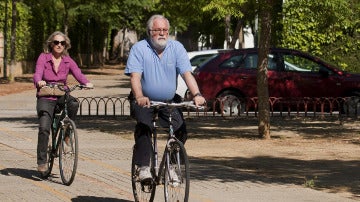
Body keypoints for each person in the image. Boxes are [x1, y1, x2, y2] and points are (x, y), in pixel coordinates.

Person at [125, 14, 206, 182]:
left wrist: (197, 94)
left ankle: (172, 167)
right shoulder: (139, 48)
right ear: (149, 32)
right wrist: (139, 96)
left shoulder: (177, 48)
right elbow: (135, 77)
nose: (162, 33)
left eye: (165, 30)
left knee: (180, 130)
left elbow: (187, 74)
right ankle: (143, 168)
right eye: (157, 30)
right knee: (144, 126)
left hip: (168, 101)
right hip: (144, 100)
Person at [33, 31, 93, 174]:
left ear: (66, 45)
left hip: (61, 94)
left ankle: (66, 132)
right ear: (51, 44)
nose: (59, 45)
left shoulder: (68, 60)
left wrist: (87, 83)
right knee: (44, 128)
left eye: (62, 43)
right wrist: (39, 81)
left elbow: (78, 73)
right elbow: (37, 73)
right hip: (46, 96)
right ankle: (42, 162)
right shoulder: (44, 57)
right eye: (56, 42)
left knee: (73, 103)